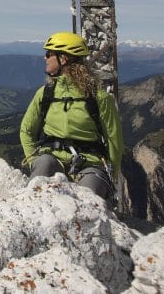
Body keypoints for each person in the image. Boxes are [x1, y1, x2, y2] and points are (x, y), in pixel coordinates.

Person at [19, 31, 123, 203]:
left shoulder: (99, 98)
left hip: (89, 163)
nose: (45, 58)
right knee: (39, 176)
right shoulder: (45, 93)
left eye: (49, 54)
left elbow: (114, 141)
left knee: (89, 203)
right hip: (52, 158)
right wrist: (34, 162)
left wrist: (110, 175)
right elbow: (26, 130)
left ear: (63, 59)